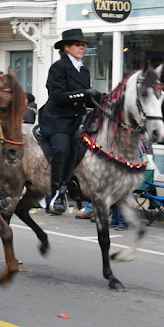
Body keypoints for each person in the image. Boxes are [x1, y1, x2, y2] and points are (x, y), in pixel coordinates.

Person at [39, 28, 101, 215]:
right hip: (58, 119)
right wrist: (84, 94)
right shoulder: (58, 68)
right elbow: (57, 96)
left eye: (83, 45)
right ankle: (58, 192)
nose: (81, 48)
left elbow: (87, 99)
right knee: (62, 149)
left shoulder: (84, 70)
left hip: (77, 119)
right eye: (77, 45)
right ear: (66, 48)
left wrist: (100, 99)